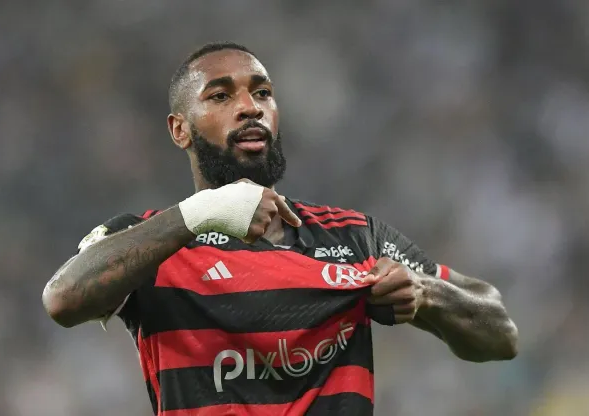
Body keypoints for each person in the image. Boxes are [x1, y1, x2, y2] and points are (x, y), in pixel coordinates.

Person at [42, 41, 518, 416]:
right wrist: (197, 215)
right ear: (179, 130)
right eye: (221, 95)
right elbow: (64, 299)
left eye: (262, 92)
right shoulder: (147, 242)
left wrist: (426, 294)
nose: (250, 107)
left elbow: (500, 331)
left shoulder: (354, 237)